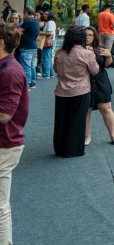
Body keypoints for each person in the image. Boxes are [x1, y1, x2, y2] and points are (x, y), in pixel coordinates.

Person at [0, 20, 29, 244]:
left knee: (0, 206)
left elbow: (4, 115)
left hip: (5, 145)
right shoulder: (6, 67)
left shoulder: (11, 72)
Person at [52, 26, 99, 157]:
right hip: (80, 90)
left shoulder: (60, 53)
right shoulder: (86, 53)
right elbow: (95, 70)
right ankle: (72, 149)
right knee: (77, 121)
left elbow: (55, 69)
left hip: (61, 90)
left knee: (61, 121)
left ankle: (59, 148)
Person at [83, 26, 114, 146]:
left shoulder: (100, 48)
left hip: (101, 81)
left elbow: (108, 65)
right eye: (85, 35)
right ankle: (87, 137)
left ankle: (113, 135)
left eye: (90, 35)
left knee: (106, 108)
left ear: (95, 36)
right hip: (85, 82)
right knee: (86, 110)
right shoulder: (78, 49)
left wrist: (109, 55)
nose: (87, 37)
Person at [18, 8, 39, 90]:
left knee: (26, 66)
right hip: (33, 46)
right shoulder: (36, 21)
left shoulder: (28, 22)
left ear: (26, 13)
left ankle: (26, 85)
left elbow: (18, 30)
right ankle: (32, 82)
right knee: (31, 65)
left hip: (27, 47)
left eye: (24, 14)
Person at [38, 12, 57, 79]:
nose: (45, 15)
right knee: (48, 58)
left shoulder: (49, 23)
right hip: (51, 41)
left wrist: (41, 33)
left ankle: (46, 74)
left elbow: (49, 32)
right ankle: (50, 73)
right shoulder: (51, 22)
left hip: (48, 41)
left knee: (45, 58)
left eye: (46, 14)